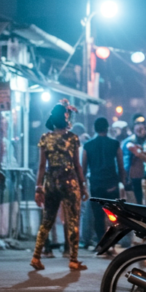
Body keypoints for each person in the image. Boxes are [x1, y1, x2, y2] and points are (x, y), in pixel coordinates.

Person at [32, 103, 87, 271]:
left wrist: (38, 187)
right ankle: (73, 259)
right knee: (72, 220)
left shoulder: (45, 138)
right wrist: (83, 186)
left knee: (47, 220)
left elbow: (42, 166)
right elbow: (77, 165)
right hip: (69, 181)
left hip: (51, 181)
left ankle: (36, 256)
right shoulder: (73, 138)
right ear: (66, 118)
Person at [83, 117, 124, 246]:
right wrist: (122, 182)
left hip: (96, 185)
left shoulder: (88, 145)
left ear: (94, 129)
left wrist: (83, 184)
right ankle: (113, 240)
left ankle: (102, 242)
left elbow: (83, 167)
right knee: (114, 215)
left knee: (98, 216)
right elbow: (121, 166)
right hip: (112, 184)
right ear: (107, 128)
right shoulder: (115, 144)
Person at [122, 117, 146, 204]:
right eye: (138, 128)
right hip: (135, 177)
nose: (140, 131)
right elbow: (126, 161)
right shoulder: (129, 142)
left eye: (142, 128)